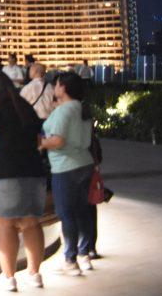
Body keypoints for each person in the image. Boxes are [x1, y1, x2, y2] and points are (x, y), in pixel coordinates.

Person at [0, 71, 47, 291]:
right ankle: (34, 274)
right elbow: (38, 140)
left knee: (5, 224)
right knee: (31, 223)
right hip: (33, 170)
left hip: (3, 171)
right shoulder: (25, 108)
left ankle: (9, 278)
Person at [40, 72, 97, 275]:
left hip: (65, 166)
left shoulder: (65, 111)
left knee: (67, 213)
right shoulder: (80, 107)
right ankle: (84, 254)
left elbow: (57, 141)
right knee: (82, 211)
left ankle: (70, 260)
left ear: (63, 87)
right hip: (85, 164)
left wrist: (39, 143)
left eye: (56, 84)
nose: (54, 87)